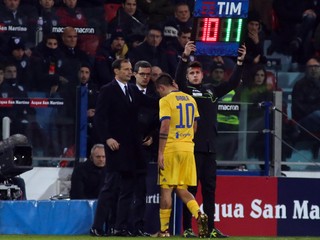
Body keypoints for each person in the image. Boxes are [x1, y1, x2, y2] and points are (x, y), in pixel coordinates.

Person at [176, 41, 246, 238]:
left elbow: (232, 84)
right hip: (191, 148)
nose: (195, 75)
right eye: (192, 73)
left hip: (210, 148)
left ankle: (210, 229)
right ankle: (187, 228)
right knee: (190, 189)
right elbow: (178, 80)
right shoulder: (185, 91)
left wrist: (240, 63)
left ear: (202, 74)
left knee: (209, 190)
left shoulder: (211, 90)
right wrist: (183, 58)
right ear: (188, 76)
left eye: (197, 72)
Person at [90, 58, 158, 237]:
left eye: (130, 70)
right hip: (116, 147)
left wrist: (170, 97)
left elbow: (151, 103)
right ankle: (97, 226)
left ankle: (120, 226)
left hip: (132, 148)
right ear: (116, 71)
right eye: (127, 70)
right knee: (110, 187)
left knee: (128, 189)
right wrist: (107, 138)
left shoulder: (133, 90)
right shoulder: (107, 90)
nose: (130, 72)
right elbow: (99, 118)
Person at [154, 73, 208, 238]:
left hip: (171, 149)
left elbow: (164, 125)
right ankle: (199, 214)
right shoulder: (191, 99)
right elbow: (195, 126)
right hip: (188, 148)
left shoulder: (165, 101)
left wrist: (160, 152)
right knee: (181, 188)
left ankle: (164, 231)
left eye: (159, 92)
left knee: (166, 190)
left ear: (161, 88)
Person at [292, 57, 320, 157]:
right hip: (303, 120)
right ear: (306, 69)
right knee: (318, 114)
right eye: (311, 67)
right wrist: (315, 109)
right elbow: (298, 108)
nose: (314, 69)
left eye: (316, 66)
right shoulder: (299, 85)